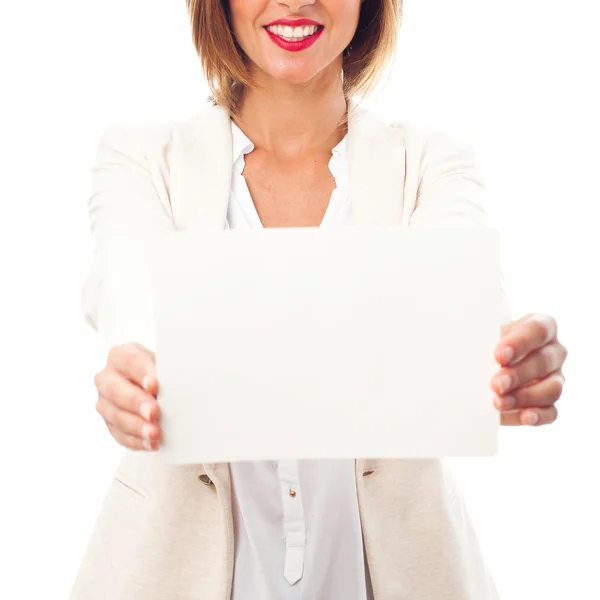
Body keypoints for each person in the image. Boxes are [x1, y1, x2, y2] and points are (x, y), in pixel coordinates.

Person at [71, 1, 568, 599]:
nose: (295, 1)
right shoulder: (142, 157)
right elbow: (128, 296)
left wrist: (506, 370)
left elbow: (468, 308)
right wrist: (133, 377)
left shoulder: (432, 159)